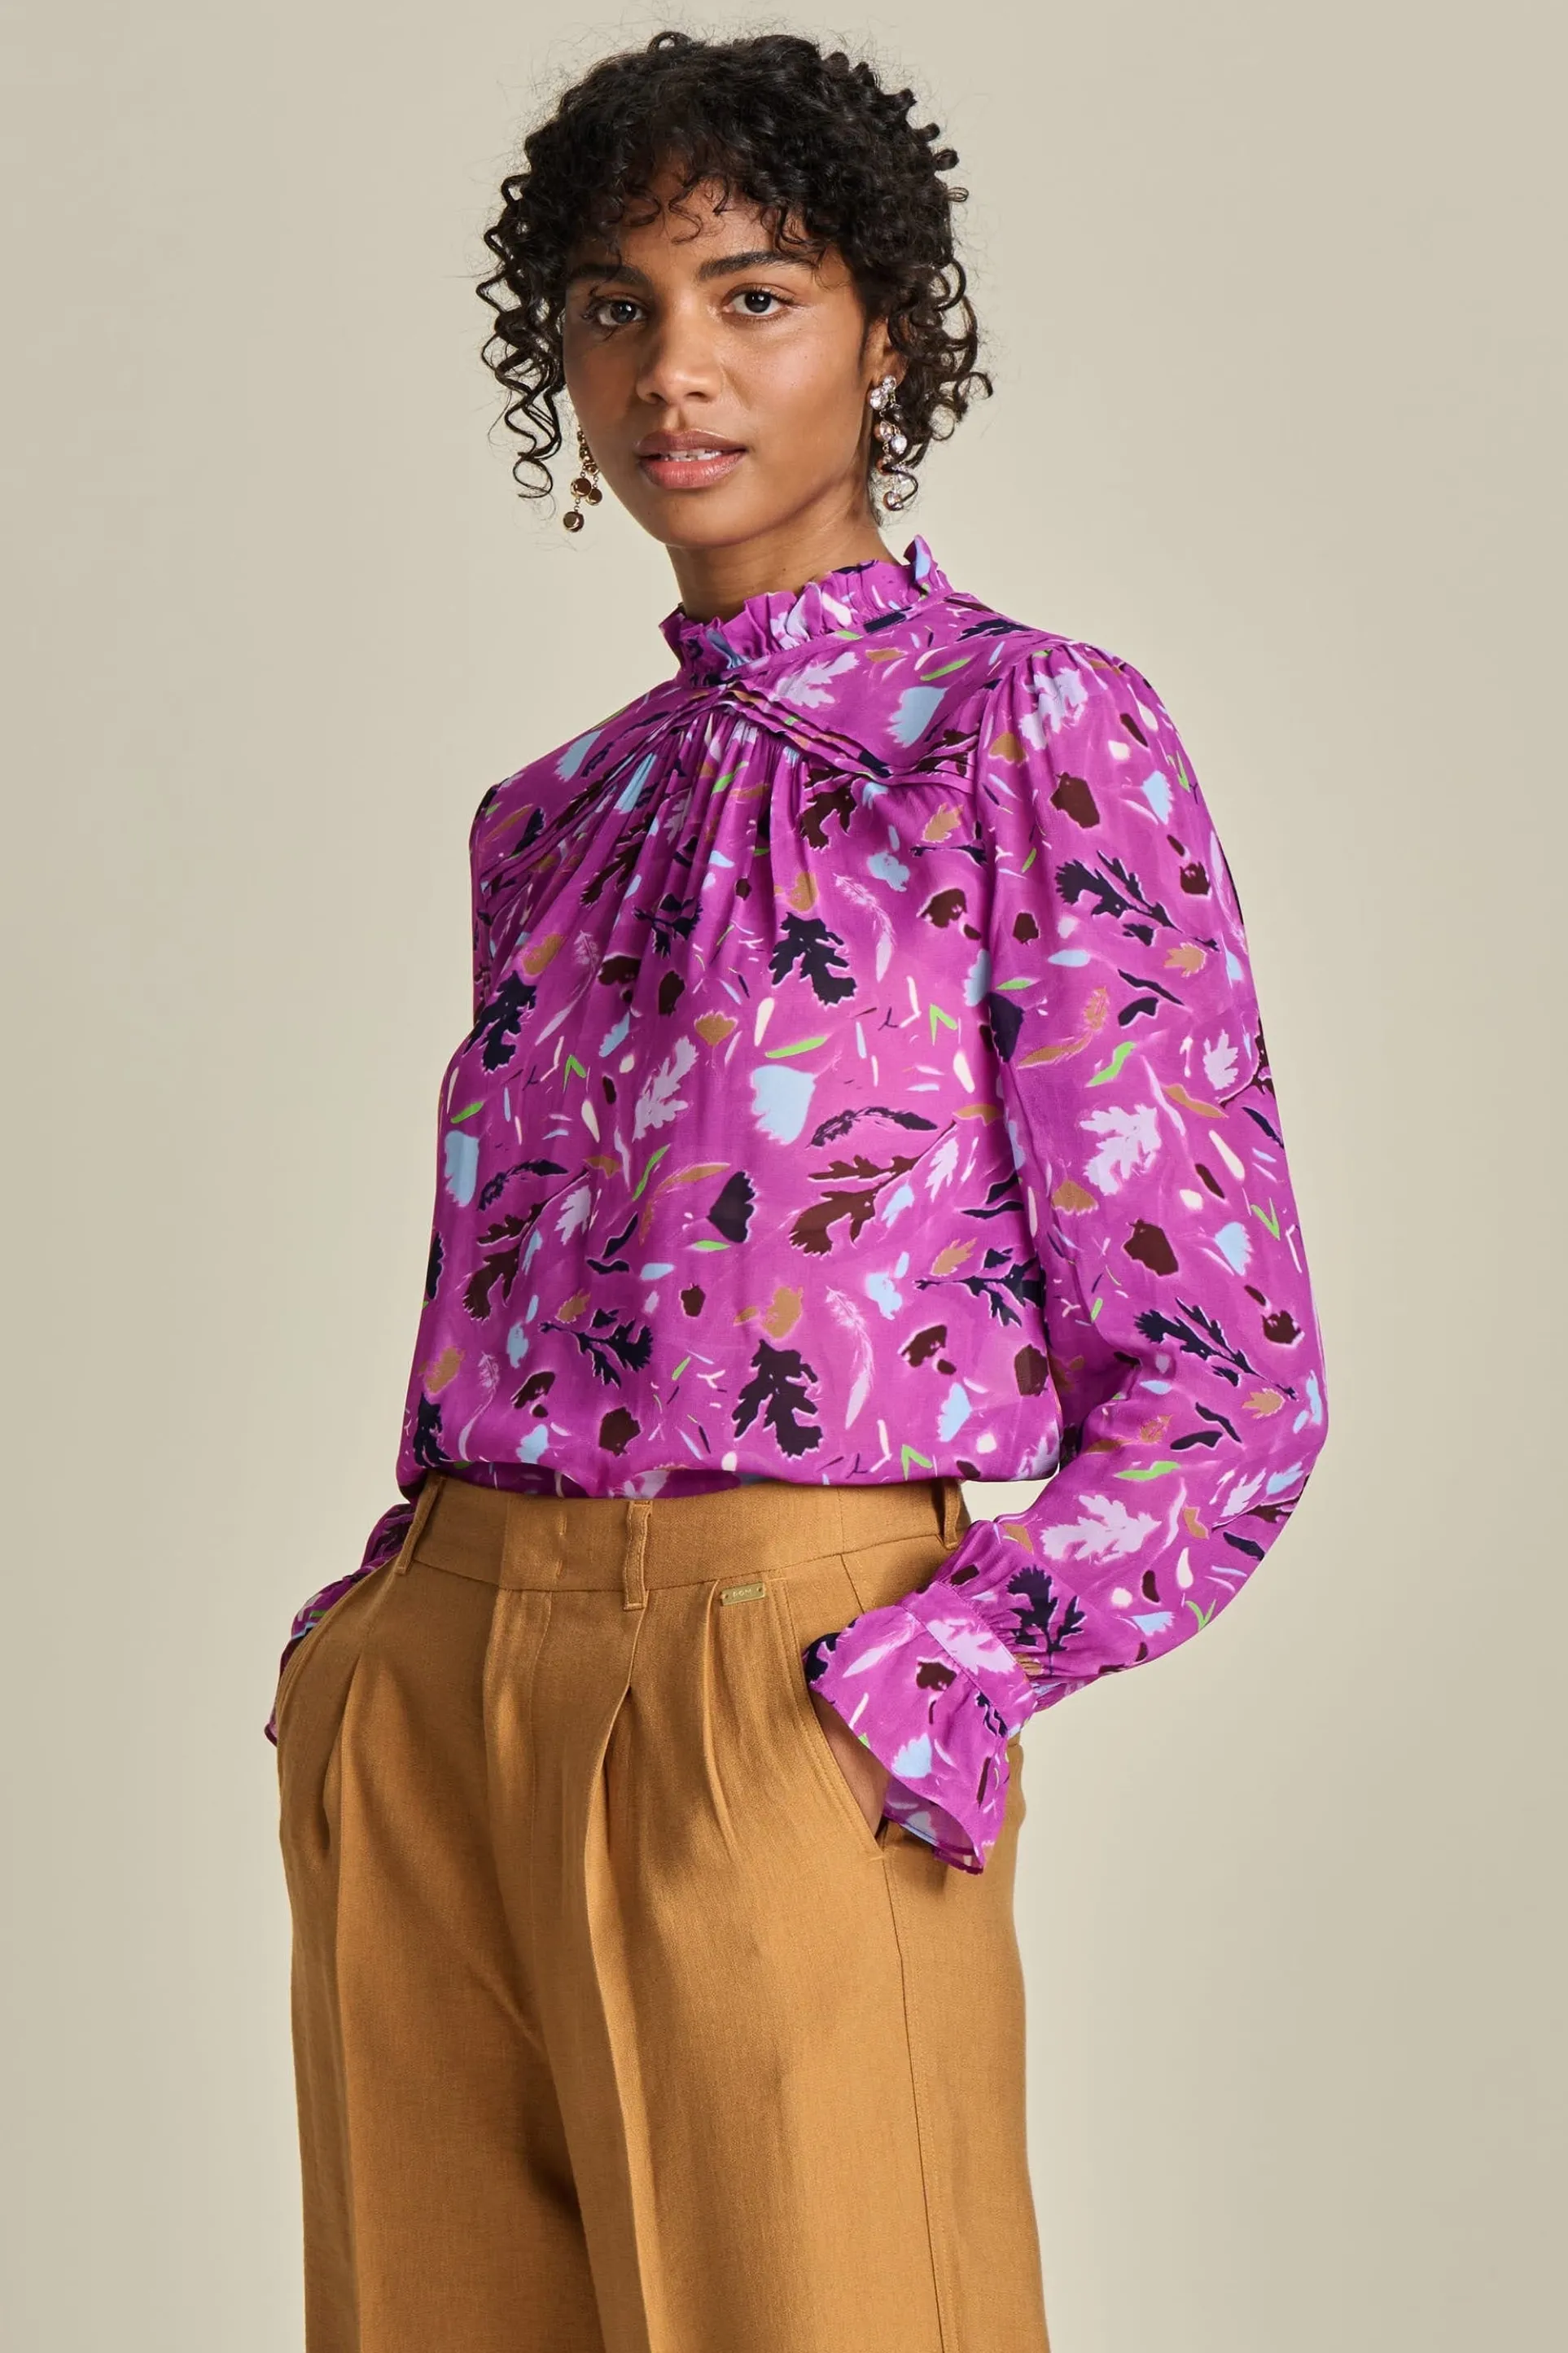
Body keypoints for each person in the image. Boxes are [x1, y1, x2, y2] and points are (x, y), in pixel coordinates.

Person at [269, 28, 1329, 2353]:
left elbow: (1223, 1369)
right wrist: (368, 1656)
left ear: (890, 335)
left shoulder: (1030, 732)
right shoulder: (549, 814)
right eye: (617, 308)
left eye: (754, 297)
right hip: (442, 1687)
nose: (677, 368)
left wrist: (937, 1672)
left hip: (783, 1667)